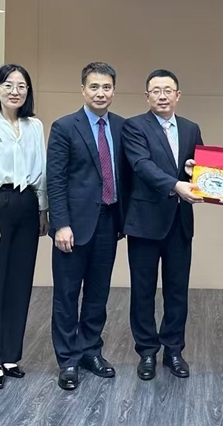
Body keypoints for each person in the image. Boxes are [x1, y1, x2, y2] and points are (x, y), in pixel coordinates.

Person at [47, 62, 130, 391]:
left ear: (114, 90)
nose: (100, 93)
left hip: (109, 222)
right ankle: (68, 359)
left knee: (98, 293)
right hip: (73, 226)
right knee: (67, 295)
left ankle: (90, 351)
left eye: (106, 87)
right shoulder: (65, 126)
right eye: (94, 87)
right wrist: (61, 224)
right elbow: (55, 180)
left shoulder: (122, 127)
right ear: (83, 89)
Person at [0, 64, 49, 390]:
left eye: (21, 86)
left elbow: (41, 171)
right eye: (8, 85)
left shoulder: (34, 125)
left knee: (19, 283)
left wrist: (42, 210)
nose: (15, 91)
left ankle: (10, 355)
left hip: (27, 205)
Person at [122, 69, 203, 381]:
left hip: (180, 222)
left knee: (177, 291)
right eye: (156, 91)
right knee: (142, 291)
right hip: (145, 222)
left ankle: (173, 350)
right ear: (147, 96)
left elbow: (199, 168)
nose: (162, 96)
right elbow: (141, 165)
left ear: (178, 95)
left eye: (168, 90)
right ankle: (146, 351)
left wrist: (205, 173)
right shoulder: (134, 126)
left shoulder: (191, 128)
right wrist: (176, 184)